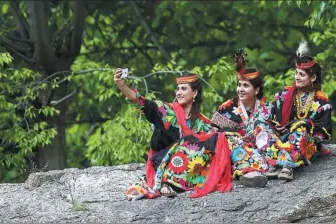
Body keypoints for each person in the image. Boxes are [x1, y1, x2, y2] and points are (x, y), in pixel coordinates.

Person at [113, 68, 232, 200]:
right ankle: (166, 182)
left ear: (195, 93)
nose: (179, 93)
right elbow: (143, 103)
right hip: (163, 162)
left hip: (187, 167)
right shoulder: (167, 111)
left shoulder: (201, 122)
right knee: (188, 141)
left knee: (218, 139)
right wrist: (121, 85)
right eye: (178, 89)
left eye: (183, 89)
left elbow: (216, 140)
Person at [267, 38, 333, 180]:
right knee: (262, 126)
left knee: (301, 128)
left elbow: (322, 133)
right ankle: (277, 161)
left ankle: (287, 165)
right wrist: (276, 126)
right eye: (296, 73)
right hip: (282, 136)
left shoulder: (322, 102)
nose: (297, 77)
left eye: (301, 74)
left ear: (313, 77)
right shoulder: (283, 94)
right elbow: (271, 116)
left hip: (306, 141)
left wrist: (305, 125)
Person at [216, 49, 271, 187]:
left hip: (261, 150)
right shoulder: (226, 108)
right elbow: (213, 134)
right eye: (239, 85)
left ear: (256, 90)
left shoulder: (267, 108)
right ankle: (247, 172)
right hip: (236, 152)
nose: (240, 89)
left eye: (246, 86)